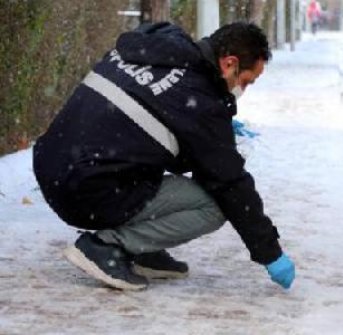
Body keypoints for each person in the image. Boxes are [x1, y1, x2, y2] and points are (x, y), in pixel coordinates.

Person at [32, 22, 295, 291]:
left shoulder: (162, 42)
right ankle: (109, 246)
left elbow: (155, 135)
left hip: (52, 166)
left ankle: (143, 246)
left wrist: (209, 138)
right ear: (229, 63)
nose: (244, 89)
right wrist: (270, 253)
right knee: (215, 206)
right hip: (85, 194)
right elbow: (230, 184)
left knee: (142, 156)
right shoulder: (200, 100)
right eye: (246, 81)